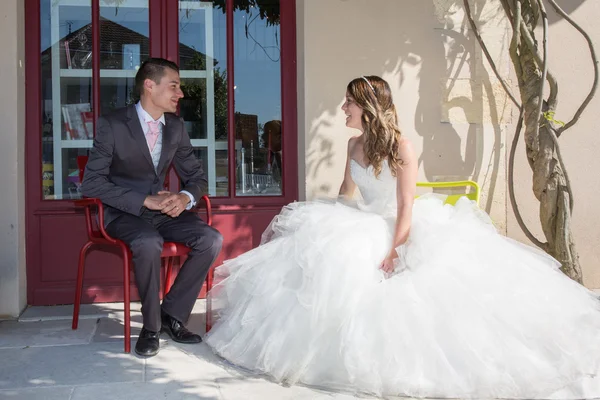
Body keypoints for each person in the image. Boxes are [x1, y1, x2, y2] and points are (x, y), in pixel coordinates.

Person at [204, 75, 600, 399]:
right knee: (320, 265)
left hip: (398, 224)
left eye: (349, 103)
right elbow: (347, 191)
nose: (343, 109)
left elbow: (406, 205)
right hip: (361, 220)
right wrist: (323, 221)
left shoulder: (402, 147)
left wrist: (396, 251)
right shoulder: (353, 143)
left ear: (367, 106)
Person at [81, 58, 223, 357]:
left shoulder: (175, 127)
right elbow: (91, 184)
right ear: (149, 85)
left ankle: (171, 315)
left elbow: (196, 177)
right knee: (148, 242)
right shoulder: (113, 124)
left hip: (163, 214)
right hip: (123, 214)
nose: (180, 93)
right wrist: (144, 200)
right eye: (174, 86)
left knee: (211, 239)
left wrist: (184, 197)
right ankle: (150, 326)